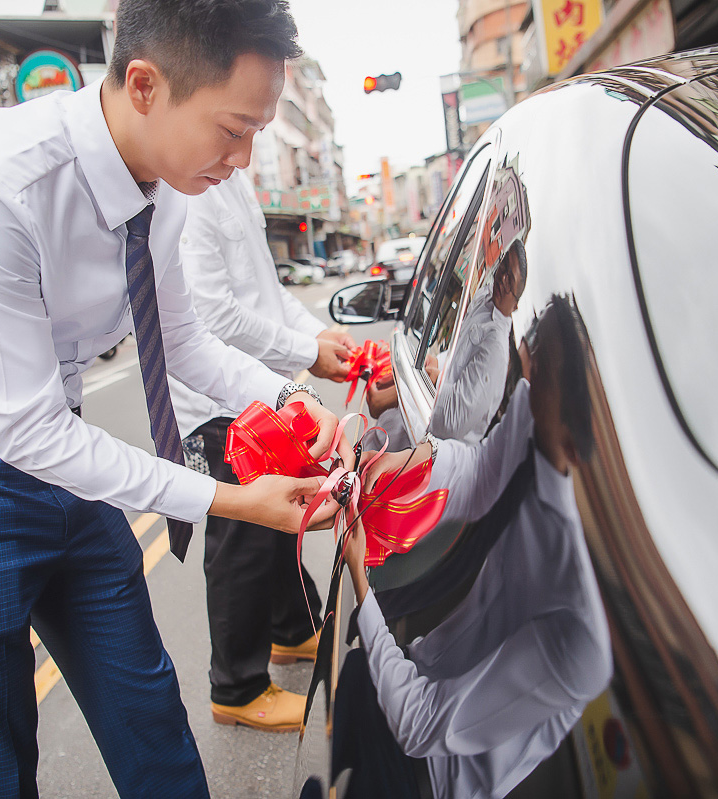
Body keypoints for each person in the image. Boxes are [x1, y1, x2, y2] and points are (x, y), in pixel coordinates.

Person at [0, 2, 343, 797]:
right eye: (233, 129)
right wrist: (235, 500)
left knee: (145, 702)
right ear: (145, 84)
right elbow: (28, 429)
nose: (242, 159)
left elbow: (183, 341)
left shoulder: (172, 183)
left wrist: (295, 404)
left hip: (52, 445)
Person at [341, 295, 613, 799]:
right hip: (410, 664)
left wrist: (362, 586)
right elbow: (483, 473)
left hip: (426, 777)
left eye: (539, 375)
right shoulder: (537, 412)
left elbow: (422, 728)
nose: (523, 391)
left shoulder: (581, 633)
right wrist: (417, 463)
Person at [169, 168, 355, 731]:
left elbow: (268, 295)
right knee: (241, 546)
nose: (247, 147)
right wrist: (305, 350)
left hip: (264, 392)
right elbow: (214, 315)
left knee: (278, 528)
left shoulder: (232, 178)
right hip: (220, 406)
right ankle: (237, 686)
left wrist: (318, 338)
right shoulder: (187, 192)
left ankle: (291, 632)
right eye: (240, 125)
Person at [428, 239, 526, 444]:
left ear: (516, 304)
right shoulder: (485, 296)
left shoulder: (496, 350)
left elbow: (453, 422)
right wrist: (438, 362)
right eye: (504, 267)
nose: (503, 279)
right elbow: (458, 355)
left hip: (435, 448)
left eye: (511, 281)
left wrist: (435, 378)